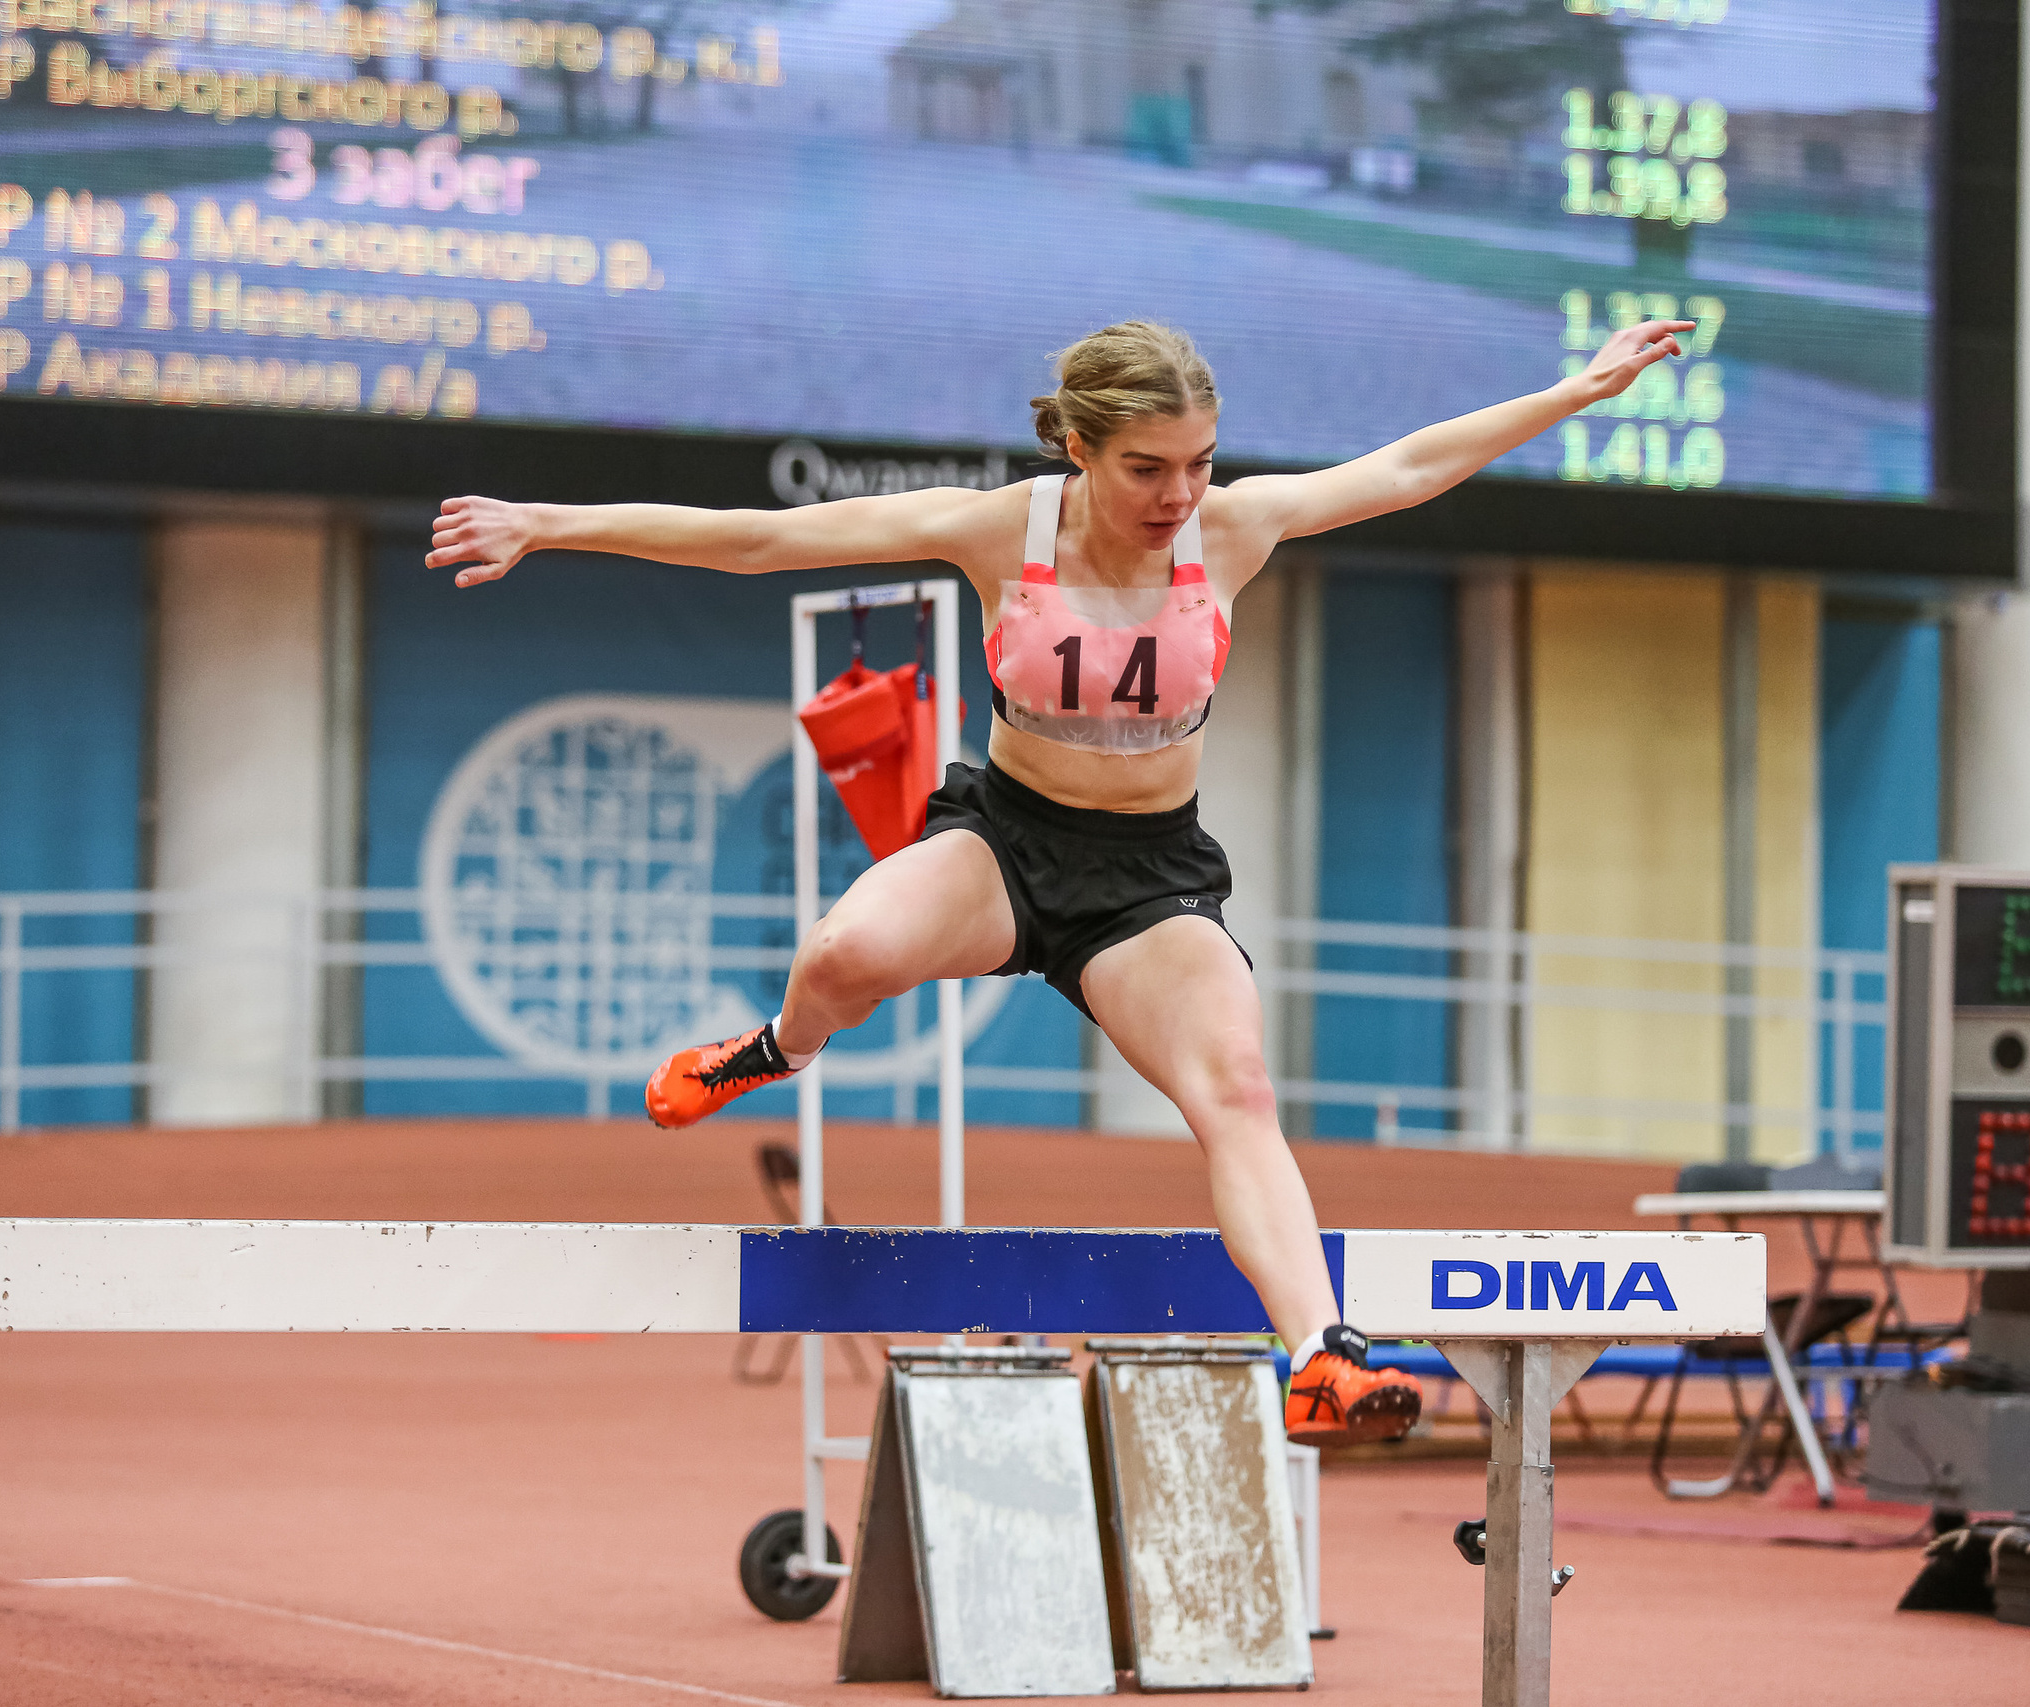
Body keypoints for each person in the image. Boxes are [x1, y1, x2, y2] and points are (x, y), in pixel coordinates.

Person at [429, 315, 1690, 1445]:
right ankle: (772, 1048)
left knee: (1237, 1087)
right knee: (840, 957)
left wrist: (1577, 392)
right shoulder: (1002, 530)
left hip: (1148, 883)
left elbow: (1407, 468)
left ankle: (1320, 1356)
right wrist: (549, 523)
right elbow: (767, 538)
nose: (1177, 492)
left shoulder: (1231, 529)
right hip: (1006, 841)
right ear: (1077, 448)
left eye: (1197, 461)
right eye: (1147, 467)